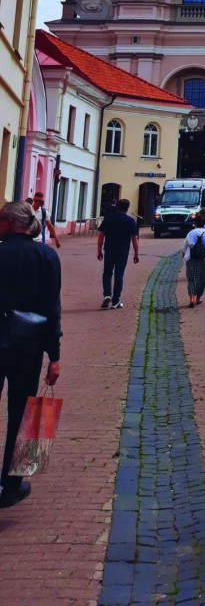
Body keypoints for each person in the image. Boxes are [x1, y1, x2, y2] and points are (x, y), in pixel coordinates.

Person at [0, 201, 62, 509]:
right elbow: (52, 309)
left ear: (10, 223)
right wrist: (55, 355)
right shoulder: (46, 256)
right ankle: (13, 484)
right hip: (29, 345)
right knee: (24, 412)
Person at [96, 197, 140, 310]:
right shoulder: (130, 221)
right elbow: (134, 239)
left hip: (109, 249)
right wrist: (136, 254)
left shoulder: (108, 219)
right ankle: (116, 301)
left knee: (107, 273)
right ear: (127, 208)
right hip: (123, 251)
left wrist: (99, 250)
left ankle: (107, 294)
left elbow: (101, 236)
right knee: (119, 274)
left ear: (117, 206)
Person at [182, 218, 205, 307]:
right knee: (202, 279)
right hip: (204, 259)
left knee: (191, 279)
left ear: (195, 224)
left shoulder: (191, 233)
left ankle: (191, 299)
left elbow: (184, 248)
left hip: (191, 258)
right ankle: (198, 298)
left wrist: (184, 257)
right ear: (204, 224)